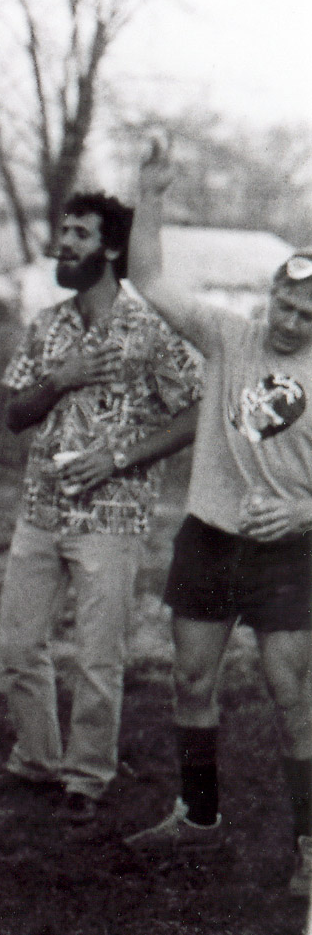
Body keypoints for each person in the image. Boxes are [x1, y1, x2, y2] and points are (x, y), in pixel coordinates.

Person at [123, 143, 312, 899]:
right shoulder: (229, 336)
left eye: (309, 314)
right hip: (210, 537)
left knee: (292, 694)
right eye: (286, 304)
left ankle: (310, 845)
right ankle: (198, 815)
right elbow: (148, 279)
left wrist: (304, 509)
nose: (292, 320)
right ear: (271, 295)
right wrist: (151, 194)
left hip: (290, 551)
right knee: (191, 679)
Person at [0, 191, 202, 823]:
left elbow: (196, 411)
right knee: (18, 645)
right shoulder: (46, 325)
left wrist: (120, 458)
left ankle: (86, 776)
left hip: (111, 517)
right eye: (64, 231)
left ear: (111, 248)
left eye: (79, 233)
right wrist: (62, 377)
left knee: (97, 656)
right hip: (40, 510)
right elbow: (13, 414)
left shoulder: (151, 328)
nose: (64, 243)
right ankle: (36, 759)